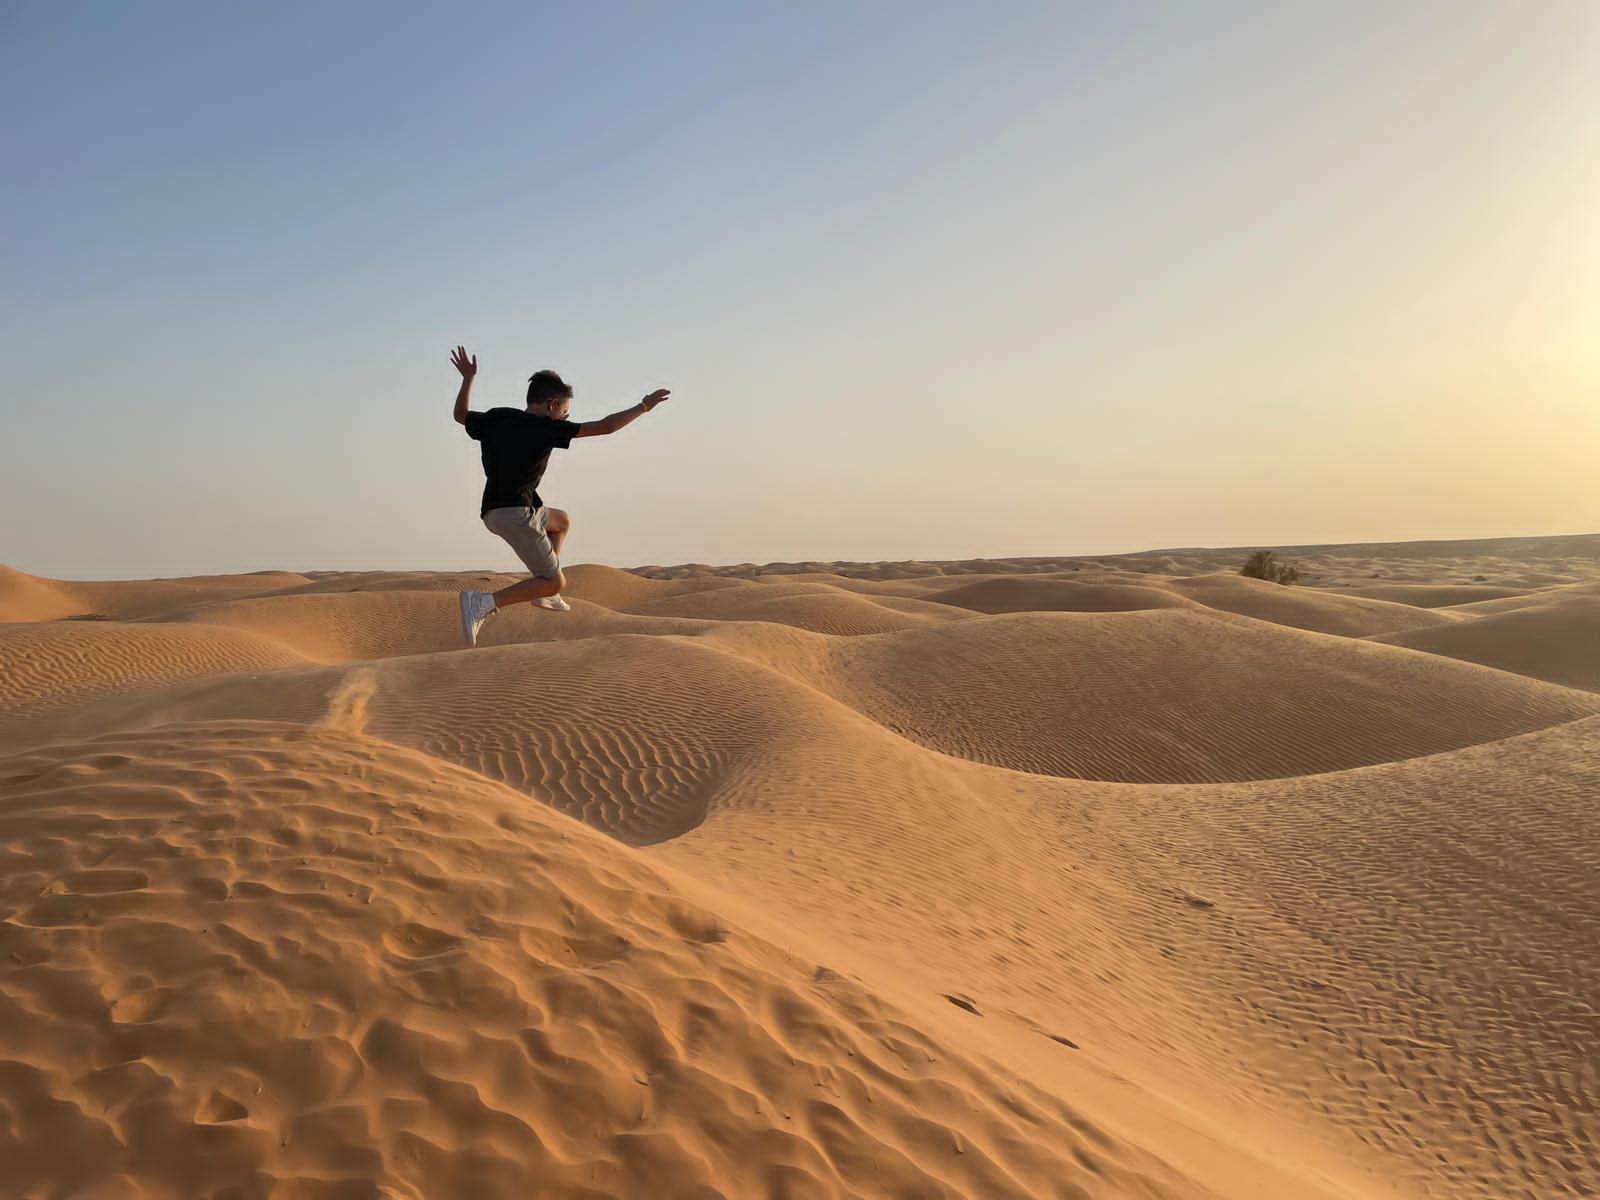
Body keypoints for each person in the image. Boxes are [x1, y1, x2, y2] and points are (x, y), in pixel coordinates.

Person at [450, 346, 670, 646]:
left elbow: (460, 415)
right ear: (553, 405)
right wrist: (643, 406)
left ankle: (546, 593)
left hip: (495, 510)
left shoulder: (498, 417)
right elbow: (606, 427)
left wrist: (468, 379)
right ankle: (485, 603)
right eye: (566, 411)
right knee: (554, 579)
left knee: (561, 521)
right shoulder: (546, 428)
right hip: (514, 513)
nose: (566, 417)